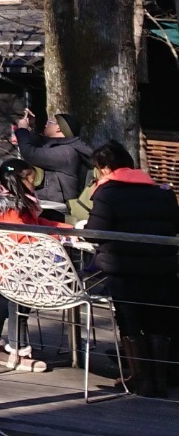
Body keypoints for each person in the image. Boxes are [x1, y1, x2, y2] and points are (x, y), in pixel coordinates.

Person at [85, 140, 178, 396]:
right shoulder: (162, 192)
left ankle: (141, 379)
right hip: (163, 269)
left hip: (124, 270)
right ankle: (161, 380)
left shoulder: (107, 193)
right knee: (159, 322)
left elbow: (94, 233)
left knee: (130, 322)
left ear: (104, 168)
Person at [0, 159, 62, 373]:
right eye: (29, 178)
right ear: (17, 180)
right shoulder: (10, 208)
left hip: (14, 265)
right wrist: (56, 236)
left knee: (7, 302)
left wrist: (65, 228)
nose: (33, 182)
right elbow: (22, 235)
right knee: (16, 303)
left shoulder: (16, 202)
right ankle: (16, 349)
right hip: (14, 266)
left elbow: (33, 227)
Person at [11, 110, 91, 217]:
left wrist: (22, 129)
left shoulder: (66, 152)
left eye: (49, 122)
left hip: (57, 211)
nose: (45, 124)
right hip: (46, 206)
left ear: (58, 128)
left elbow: (30, 153)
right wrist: (31, 127)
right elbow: (36, 143)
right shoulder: (54, 145)